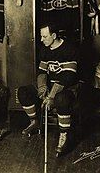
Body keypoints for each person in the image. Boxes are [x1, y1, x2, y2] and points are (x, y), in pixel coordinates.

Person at [18, 22, 79, 157]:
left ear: (54, 35)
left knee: (61, 99)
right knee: (23, 91)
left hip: (67, 89)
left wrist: (51, 96)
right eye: (41, 36)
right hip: (50, 88)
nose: (41, 39)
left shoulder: (69, 49)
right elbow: (41, 71)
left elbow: (67, 78)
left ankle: (64, 135)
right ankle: (34, 122)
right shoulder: (45, 49)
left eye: (44, 36)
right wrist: (41, 89)